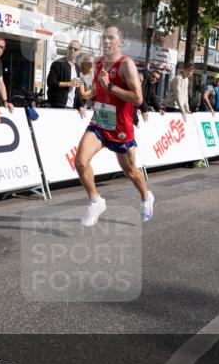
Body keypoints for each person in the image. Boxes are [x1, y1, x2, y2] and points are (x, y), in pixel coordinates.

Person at [74, 25, 154, 226]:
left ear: (120, 42)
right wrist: (89, 97)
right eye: (104, 38)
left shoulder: (126, 64)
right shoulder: (99, 63)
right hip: (101, 120)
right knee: (80, 162)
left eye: (111, 38)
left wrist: (110, 85)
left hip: (120, 126)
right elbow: (97, 90)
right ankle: (95, 201)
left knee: (130, 171)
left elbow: (137, 98)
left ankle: (146, 196)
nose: (106, 41)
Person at [47, 40, 83, 109]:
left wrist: (80, 105)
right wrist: (69, 83)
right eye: (70, 48)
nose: (72, 50)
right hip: (57, 104)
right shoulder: (58, 63)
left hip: (72, 105)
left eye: (75, 49)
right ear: (67, 49)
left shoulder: (77, 67)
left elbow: (77, 89)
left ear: (79, 52)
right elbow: (50, 82)